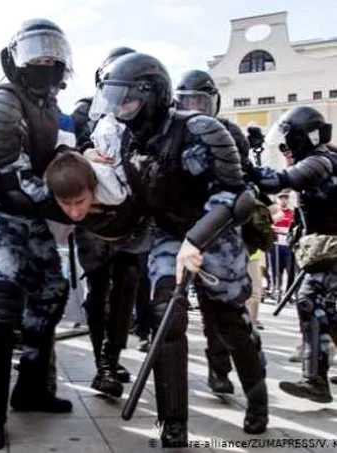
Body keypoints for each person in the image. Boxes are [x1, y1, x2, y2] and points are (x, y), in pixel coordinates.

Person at [93, 52, 268, 446]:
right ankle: (173, 423)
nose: (122, 109)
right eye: (115, 100)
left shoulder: (201, 129)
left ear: (152, 94)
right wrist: (88, 215)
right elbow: (138, 203)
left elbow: (237, 196)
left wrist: (197, 240)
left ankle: (257, 398)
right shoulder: (128, 140)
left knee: (230, 323)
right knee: (164, 319)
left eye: (129, 100)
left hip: (215, 232)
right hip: (168, 235)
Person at [0, 18, 74, 450]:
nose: (46, 61)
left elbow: (55, 161)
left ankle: (31, 389)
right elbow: (14, 179)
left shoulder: (47, 107)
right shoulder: (3, 100)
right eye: (37, 53)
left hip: (30, 215)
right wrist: (67, 204)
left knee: (52, 294)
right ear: (16, 58)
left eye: (52, 53)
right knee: (1, 310)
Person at [174, 68, 267, 395]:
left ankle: (233, 371)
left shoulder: (229, 132)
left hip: (223, 231)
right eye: (188, 100)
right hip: (188, 231)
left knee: (225, 309)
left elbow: (243, 180)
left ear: (214, 101)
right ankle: (219, 369)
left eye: (202, 100)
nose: (195, 107)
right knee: (203, 308)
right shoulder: (177, 132)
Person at [44, 151, 149, 398]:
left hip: (128, 231)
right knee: (98, 291)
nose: (73, 210)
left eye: (78, 203)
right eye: (66, 204)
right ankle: (104, 363)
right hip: (93, 237)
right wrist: (83, 151)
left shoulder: (115, 182)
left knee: (126, 285)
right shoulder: (57, 197)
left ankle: (109, 361)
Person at [253, 107, 337, 403]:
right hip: (326, 250)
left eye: (288, 143)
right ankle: (315, 378)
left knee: (312, 301)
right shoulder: (321, 159)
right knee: (327, 309)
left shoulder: (321, 161)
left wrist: (244, 166)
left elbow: (282, 181)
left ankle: (314, 379)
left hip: (332, 251)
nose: (285, 150)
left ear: (302, 138)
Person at [269, 190, 295, 294]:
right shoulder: (272, 212)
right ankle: (275, 288)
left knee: (290, 269)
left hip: (288, 245)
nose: (283, 200)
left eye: (286, 198)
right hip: (275, 245)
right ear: (277, 199)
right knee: (275, 269)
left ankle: (289, 291)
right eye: (281, 198)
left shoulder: (292, 213)